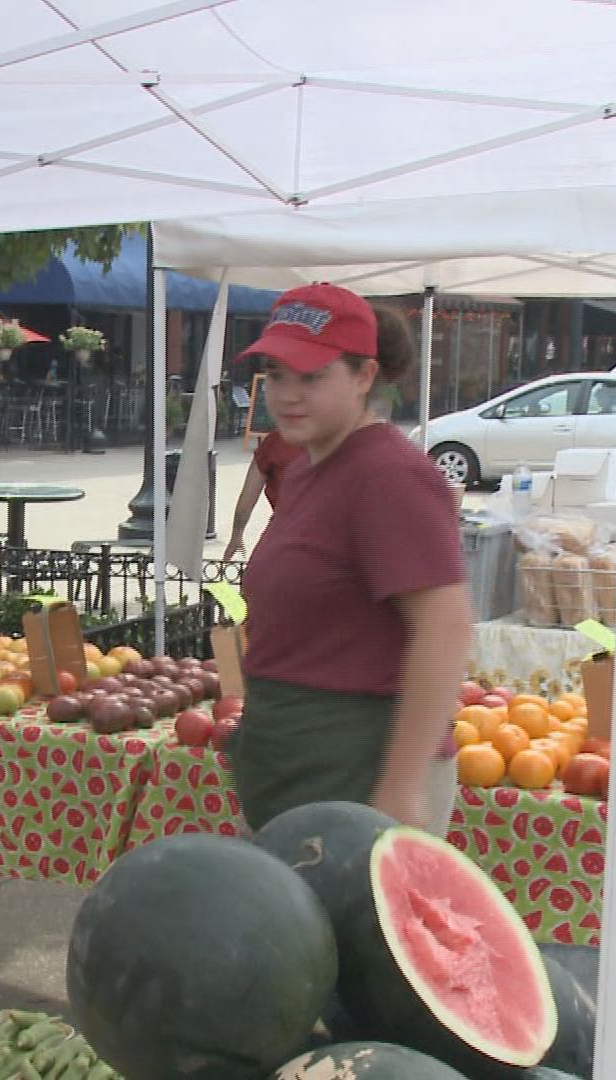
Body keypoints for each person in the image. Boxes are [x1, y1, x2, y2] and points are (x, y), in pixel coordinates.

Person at [230, 283, 472, 834]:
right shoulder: (310, 466)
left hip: (357, 778)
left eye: (311, 376)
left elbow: (446, 627)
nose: (288, 393)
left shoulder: (389, 474)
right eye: (277, 374)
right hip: (296, 769)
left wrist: (402, 786)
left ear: (364, 377)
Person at [222, 428, 304, 560]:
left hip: (283, 537)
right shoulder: (341, 440)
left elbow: (245, 503)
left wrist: (236, 536)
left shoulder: (276, 441)